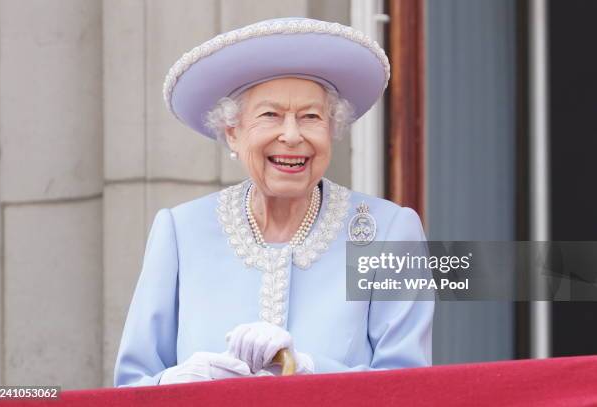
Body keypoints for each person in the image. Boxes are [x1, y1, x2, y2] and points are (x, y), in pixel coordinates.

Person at [114, 17, 433, 387]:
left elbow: (410, 386)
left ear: (332, 131)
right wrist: (178, 382)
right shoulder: (180, 232)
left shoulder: (391, 231)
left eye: (311, 117)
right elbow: (132, 385)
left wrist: (310, 368)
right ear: (233, 133)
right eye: (271, 115)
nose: (292, 135)